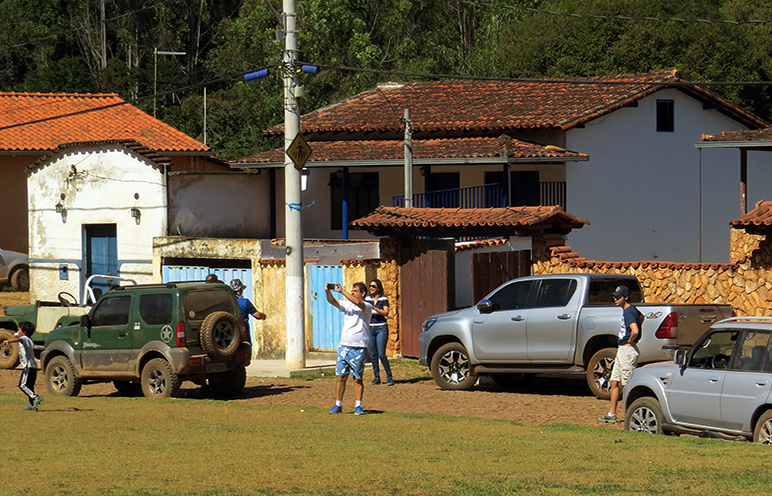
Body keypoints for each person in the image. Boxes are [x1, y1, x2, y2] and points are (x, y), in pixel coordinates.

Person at [598, 285, 643, 423]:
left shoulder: (628, 311)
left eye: (618, 297)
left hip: (627, 351)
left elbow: (634, 329)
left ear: (626, 297)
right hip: (622, 350)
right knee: (614, 381)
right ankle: (612, 413)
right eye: (614, 297)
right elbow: (642, 317)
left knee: (628, 384)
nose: (615, 299)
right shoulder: (631, 310)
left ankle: (633, 415)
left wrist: (630, 340)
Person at [326, 282, 372, 415]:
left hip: (359, 346)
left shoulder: (367, 306)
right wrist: (327, 291)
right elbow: (332, 301)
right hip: (344, 346)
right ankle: (338, 404)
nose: (352, 293)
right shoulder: (347, 305)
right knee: (341, 376)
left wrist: (342, 291)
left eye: (355, 291)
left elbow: (358, 302)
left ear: (362, 293)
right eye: (351, 291)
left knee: (357, 378)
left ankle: (358, 405)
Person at [2, 321, 42, 411]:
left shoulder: (25, 338)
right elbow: (17, 336)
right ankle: (33, 405)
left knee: (22, 385)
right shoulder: (28, 339)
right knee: (30, 387)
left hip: (28, 366)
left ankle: (36, 397)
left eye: (19, 330)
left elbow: (19, 339)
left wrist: (9, 340)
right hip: (33, 367)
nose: (17, 331)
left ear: (24, 332)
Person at [365, 278, 394, 386]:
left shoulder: (383, 299)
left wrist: (374, 308)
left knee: (381, 354)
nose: (371, 288)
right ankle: (376, 377)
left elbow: (385, 312)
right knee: (373, 354)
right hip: (370, 328)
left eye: (373, 286)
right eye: (370, 286)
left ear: (378, 288)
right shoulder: (367, 298)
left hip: (381, 327)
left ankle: (389, 377)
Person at [229, 279, 266, 344]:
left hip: (228, 333)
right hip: (243, 333)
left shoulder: (226, 302)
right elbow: (257, 315)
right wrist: (264, 316)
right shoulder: (245, 302)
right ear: (240, 290)